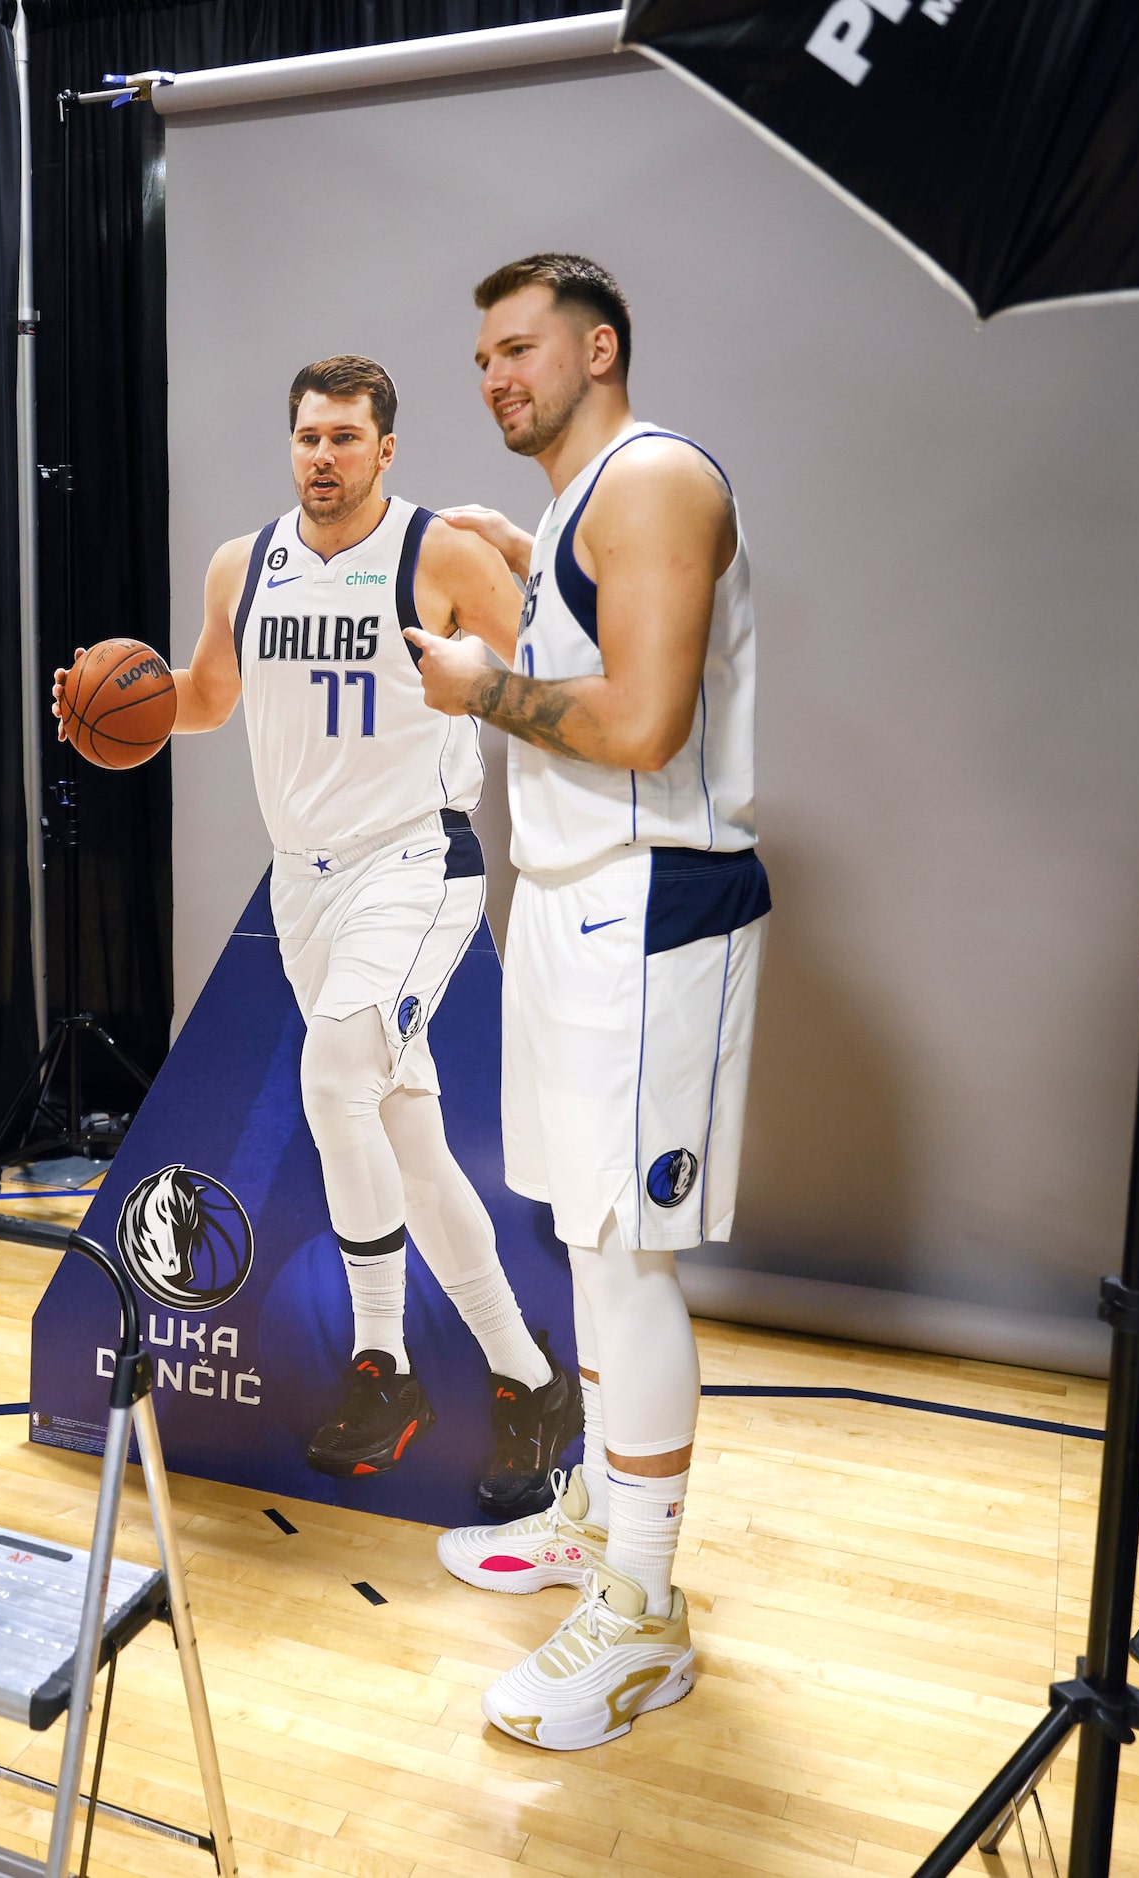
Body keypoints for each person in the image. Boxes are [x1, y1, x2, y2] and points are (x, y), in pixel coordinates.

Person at [59, 356, 582, 1519]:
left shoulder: (431, 552)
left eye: (346, 438)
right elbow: (199, 694)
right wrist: (108, 705)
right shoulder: (241, 566)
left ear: (384, 450)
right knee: (406, 1138)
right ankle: (527, 1378)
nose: (323, 458)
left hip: (417, 860)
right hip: (305, 882)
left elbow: (558, 658)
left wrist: (526, 577)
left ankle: (382, 1365)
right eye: (307, 437)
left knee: (334, 1066)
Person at [408, 256, 769, 1751]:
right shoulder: (579, 506)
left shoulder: (655, 480)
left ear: (598, 346)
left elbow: (641, 721)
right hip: (567, 904)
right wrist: (516, 565)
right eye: (481, 355)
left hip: (653, 908)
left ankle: (643, 1614)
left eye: (521, 348)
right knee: (583, 1235)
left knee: (630, 1261)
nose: (496, 375)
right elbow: (583, 659)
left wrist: (485, 685)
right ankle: (604, 1517)